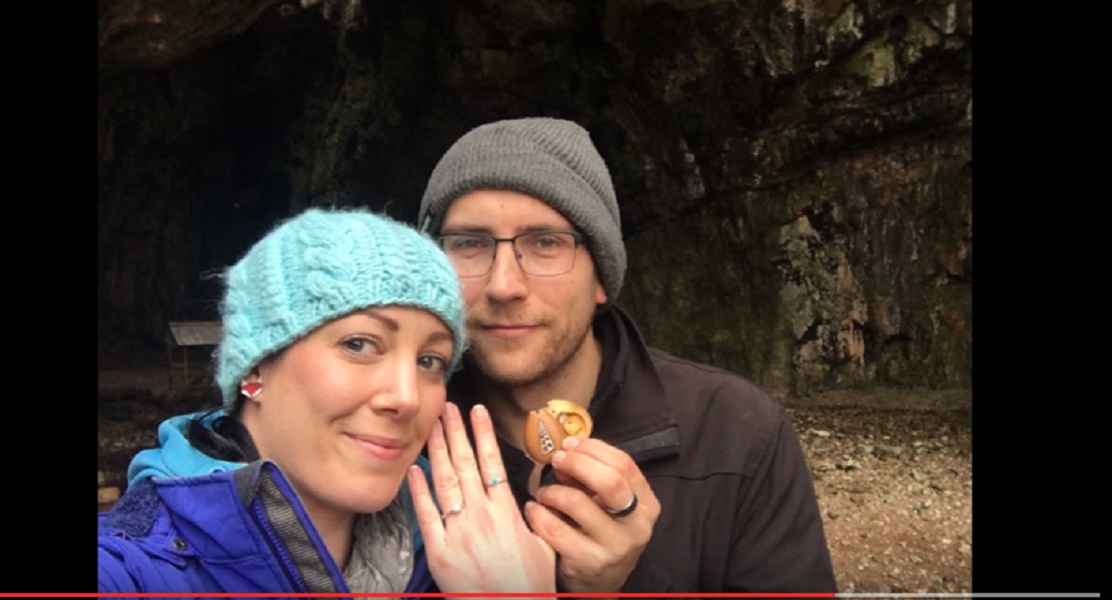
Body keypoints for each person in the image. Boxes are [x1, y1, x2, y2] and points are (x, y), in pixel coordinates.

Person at [415, 117, 837, 592]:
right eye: (469, 244)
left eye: (547, 243)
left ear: (601, 278)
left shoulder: (738, 435)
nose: (505, 285)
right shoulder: (390, 434)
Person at [99, 208, 555, 594]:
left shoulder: (470, 565)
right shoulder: (127, 574)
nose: (407, 397)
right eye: (359, 344)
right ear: (255, 369)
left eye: (430, 360)